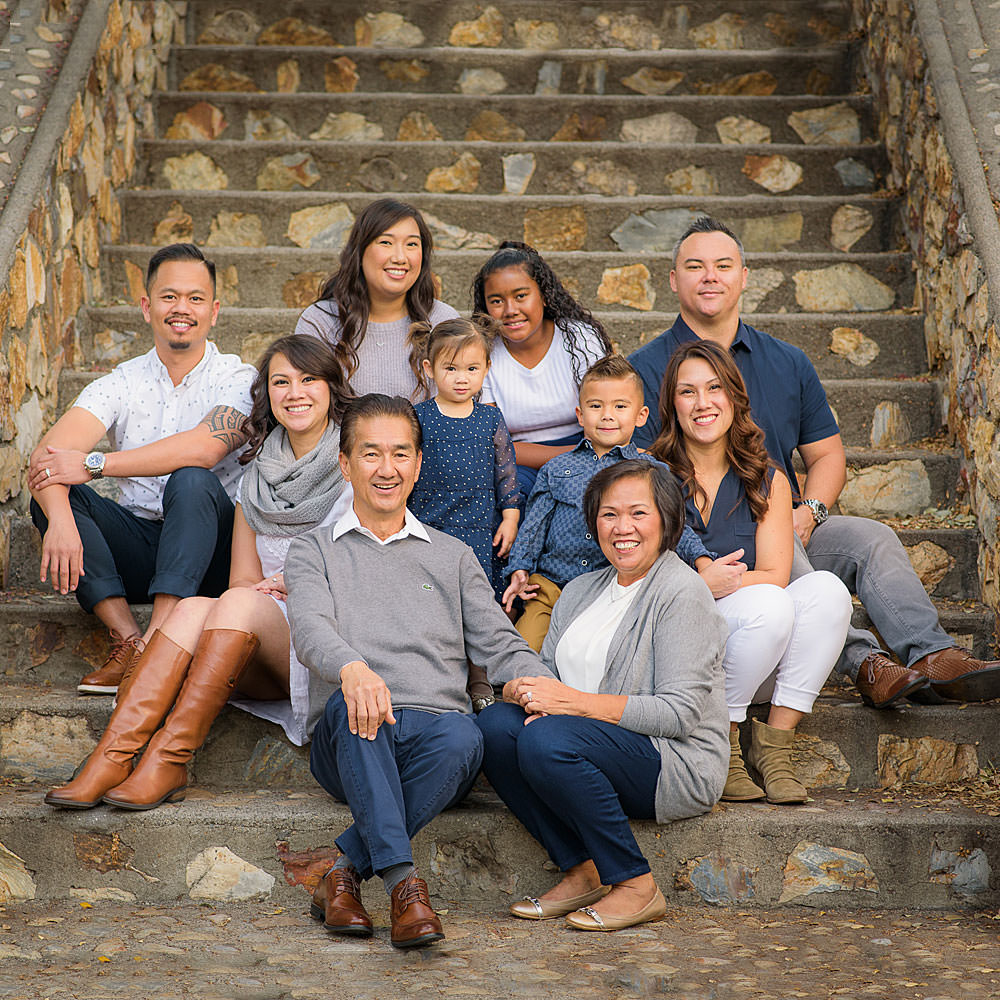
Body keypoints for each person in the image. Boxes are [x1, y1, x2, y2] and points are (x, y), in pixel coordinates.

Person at [629, 216, 1000, 708]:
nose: (710, 276)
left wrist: (811, 513)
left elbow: (826, 456)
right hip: (703, 541)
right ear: (674, 280)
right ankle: (864, 661)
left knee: (870, 537)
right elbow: (637, 476)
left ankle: (933, 655)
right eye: (695, 266)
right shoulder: (646, 369)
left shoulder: (788, 362)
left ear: (745, 276)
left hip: (780, 524)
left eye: (723, 265)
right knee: (779, 531)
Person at [43, 336, 354, 811]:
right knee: (193, 607)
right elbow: (242, 581)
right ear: (266, 394)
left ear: (332, 387)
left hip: (326, 635)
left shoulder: (356, 464)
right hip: (261, 633)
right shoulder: (256, 476)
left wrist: (299, 581)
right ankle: (112, 757)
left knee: (239, 603)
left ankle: (170, 757)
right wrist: (264, 591)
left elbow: (369, 566)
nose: (295, 392)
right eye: (281, 381)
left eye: (309, 379)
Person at [284, 394, 544, 949]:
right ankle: (405, 887)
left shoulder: (452, 556)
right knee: (359, 710)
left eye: (400, 453)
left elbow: (498, 641)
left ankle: (341, 870)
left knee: (463, 735)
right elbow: (309, 631)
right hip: (350, 731)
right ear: (345, 462)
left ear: (418, 463)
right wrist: (353, 669)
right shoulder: (313, 551)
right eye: (370, 453)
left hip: (434, 736)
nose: (387, 468)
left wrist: (533, 681)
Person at [476, 460, 729, 932]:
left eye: (638, 513)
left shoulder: (681, 592)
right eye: (609, 514)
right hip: (584, 746)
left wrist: (569, 703)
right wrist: (521, 688)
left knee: (547, 739)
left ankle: (635, 883)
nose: (622, 527)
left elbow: (679, 714)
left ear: (668, 520)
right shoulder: (579, 591)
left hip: (671, 761)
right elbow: (551, 675)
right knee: (493, 727)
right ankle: (582, 869)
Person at [27, 243, 256, 695]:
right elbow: (46, 459)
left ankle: (160, 644)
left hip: (211, 552)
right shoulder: (122, 381)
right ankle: (128, 640)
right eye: (169, 296)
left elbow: (206, 448)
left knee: (192, 478)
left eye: (195, 298)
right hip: (143, 543)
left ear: (214, 311)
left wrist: (96, 464)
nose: (182, 308)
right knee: (59, 500)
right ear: (147, 307)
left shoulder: (238, 378)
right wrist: (59, 519)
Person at [652, 340, 853, 803]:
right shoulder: (653, 474)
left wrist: (728, 583)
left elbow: (777, 573)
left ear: (734, 397)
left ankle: (774, 747)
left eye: (714, 388)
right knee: (769, 603)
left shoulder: (768, 478)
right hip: (680, 649)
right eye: (688, 392)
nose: (703, 403)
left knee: (826, 591)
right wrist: (700, 584)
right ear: (671, 404)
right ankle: (719, 743)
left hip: (757, 644)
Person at [502, 354, 713, 651]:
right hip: (551, 585)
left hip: (612, 587)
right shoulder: (556, 468)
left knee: (598, 652)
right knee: (524, 651)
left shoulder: (652, 471)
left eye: (620, 406)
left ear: (641, 416)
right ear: (580, 414)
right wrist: (520, 568)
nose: (607, 415)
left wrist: (702, 560)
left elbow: (675, 527)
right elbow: (534, 526)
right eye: (596, 406)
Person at [471, 241, 613, 496]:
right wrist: (567, 455)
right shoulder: (482, 352)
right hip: (518, 462)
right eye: (496, 301)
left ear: (544, 295)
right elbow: (493, 444)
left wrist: (587, 453)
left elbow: (606, 413)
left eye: (521, 296)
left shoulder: (579, 339)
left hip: (588, 450)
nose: (510, 310)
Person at [294, 197, 459, 399]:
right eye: (386, 242)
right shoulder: (320, 321)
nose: (400, 257)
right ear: (360, 252)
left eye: (412, 244)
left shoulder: (443, 321)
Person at [407, 316, 521, 601]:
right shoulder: (419, 417)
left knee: (475, 598)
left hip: (479, 530)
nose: (461, 377)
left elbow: (506, 473)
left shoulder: (490, 418)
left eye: (472, 368)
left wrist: (510, 517)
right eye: (450, 368)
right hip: (429, 524)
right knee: (430, 595)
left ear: (486, 369)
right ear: (429, 368)